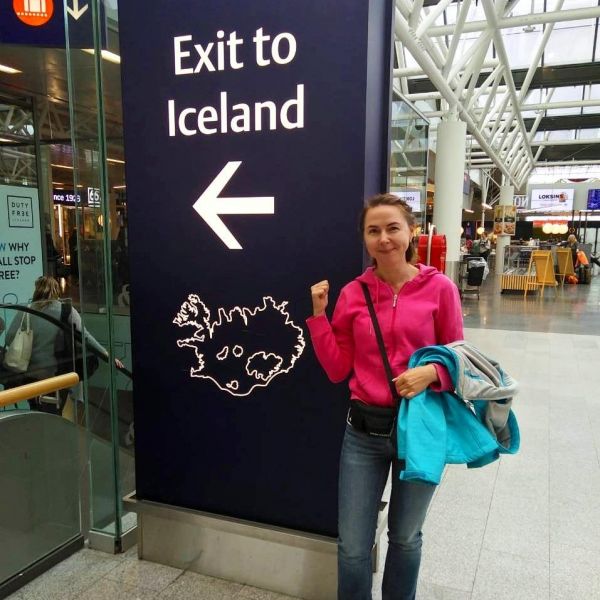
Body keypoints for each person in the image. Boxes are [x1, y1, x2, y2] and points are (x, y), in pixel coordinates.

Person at [307, 194, 463, 600]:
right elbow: (337, 368)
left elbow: (458, 359)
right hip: (364, 433)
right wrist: (319, 318)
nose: (384, 238)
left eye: (393, 228)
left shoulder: (440, 289)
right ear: (364, 238)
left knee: (406, 537)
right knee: (352, 545)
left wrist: (433, 373)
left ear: (412, 231)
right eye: (373, 231)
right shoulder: (353, 293)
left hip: (420, 429)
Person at [3, 276, 123, 413]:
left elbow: (9, 339)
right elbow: (85, 337)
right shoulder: (67, 310)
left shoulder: (27, 311)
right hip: (58, 376)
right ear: (57, 290)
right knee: (55, 414)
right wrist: (107, 355)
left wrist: (28, 336)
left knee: (36, 412)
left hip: (32, 376)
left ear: (37, 290)